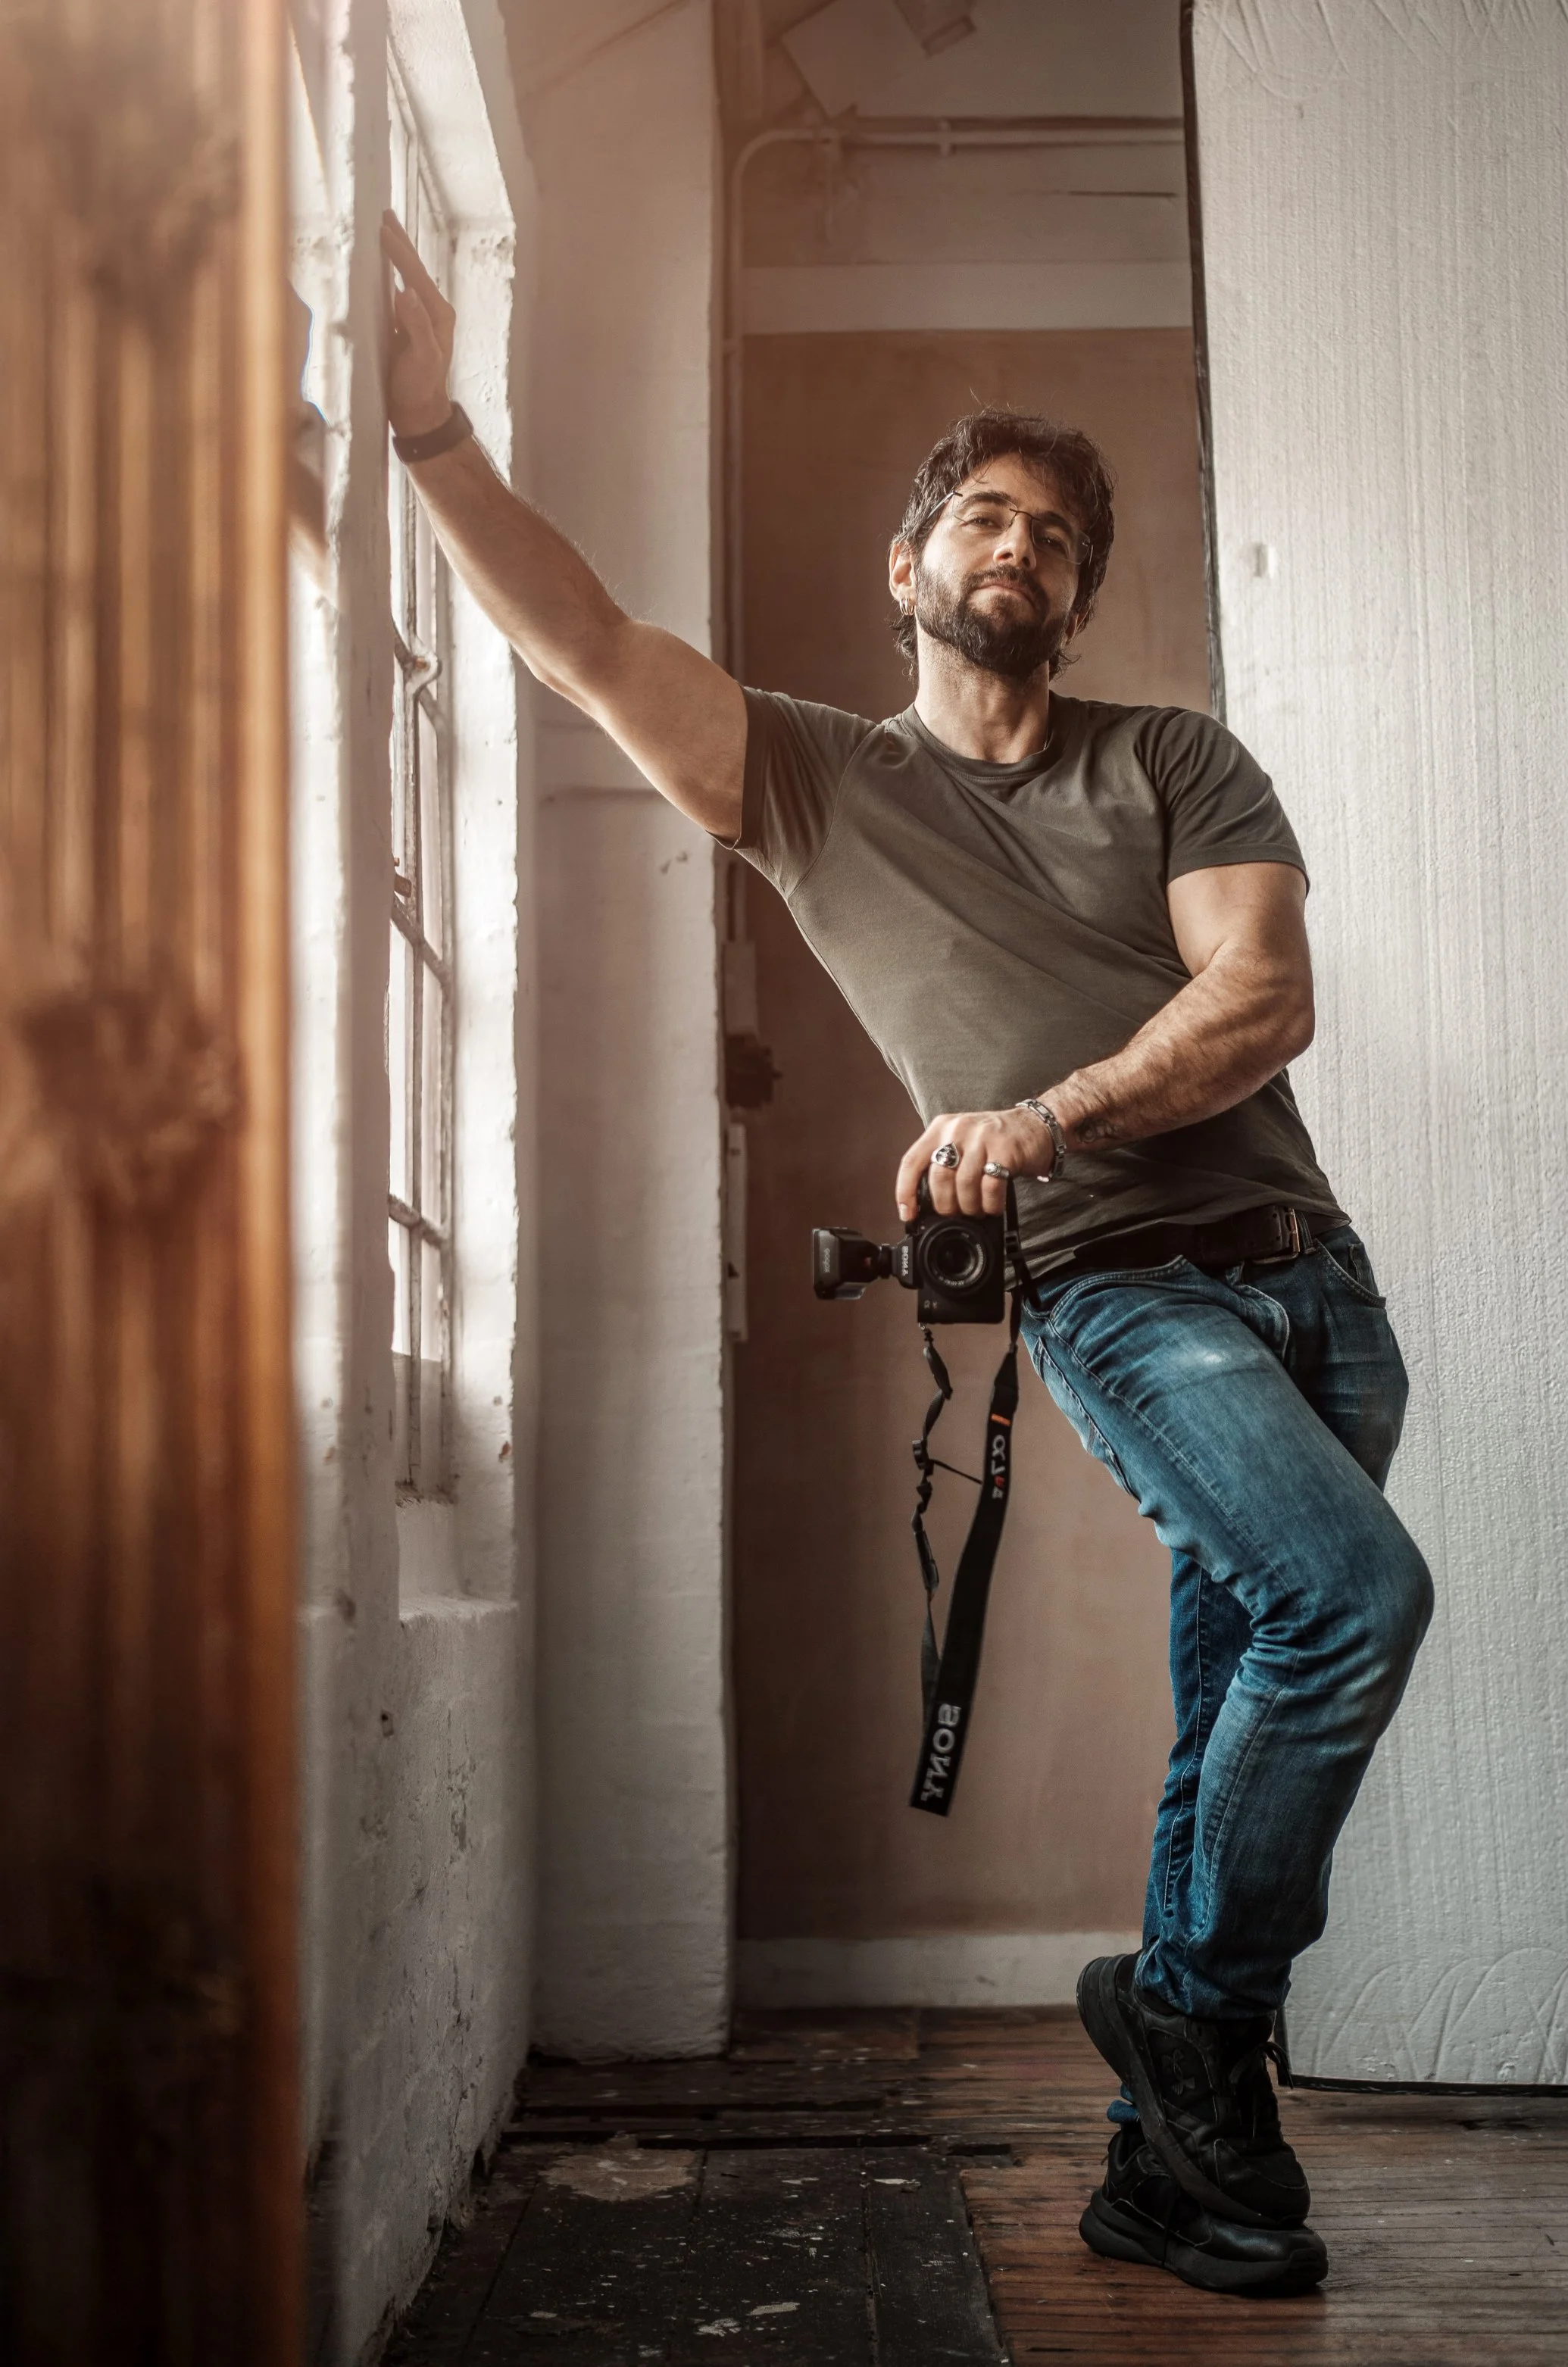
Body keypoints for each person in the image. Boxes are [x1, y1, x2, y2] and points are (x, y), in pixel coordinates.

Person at [381, 211, 1432, 2300]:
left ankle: (1168, 2175)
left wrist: (1043, 1110)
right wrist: (428, 426)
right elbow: (582, 639)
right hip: (1125, 1287)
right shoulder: (810, 776)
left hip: (1315, 1282)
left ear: (1077, 591)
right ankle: (1193, 2022)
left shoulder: (1173, 757)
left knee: (1236, 1700)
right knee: (1352, 1602)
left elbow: (1262, 998)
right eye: (983, 515)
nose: (1019, 545)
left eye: (1056, 532)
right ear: (909, 566)